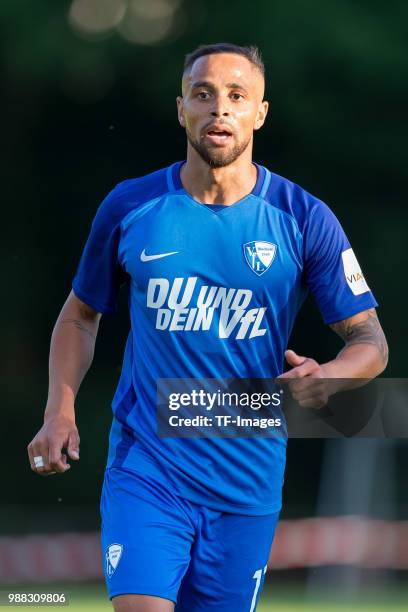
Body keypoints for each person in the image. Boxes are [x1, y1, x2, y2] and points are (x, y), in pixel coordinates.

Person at [27, 43, 388, 611]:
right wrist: (59, 410)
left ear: (259, 113)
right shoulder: (131, 207)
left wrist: (333, 378)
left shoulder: (302, 217)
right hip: (147, 467)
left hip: (247, 480)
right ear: (181, 109)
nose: (219, 108)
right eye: (204, 94)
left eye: (236, 96)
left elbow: (370, 342)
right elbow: (79, 315)